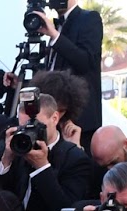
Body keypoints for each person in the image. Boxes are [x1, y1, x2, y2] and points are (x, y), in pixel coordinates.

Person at [43, 0, 104, 137]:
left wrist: (54, 35)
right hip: (54, 119)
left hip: (79, 122)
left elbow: (85, 62)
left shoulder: (89, 18)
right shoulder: (57, 26)